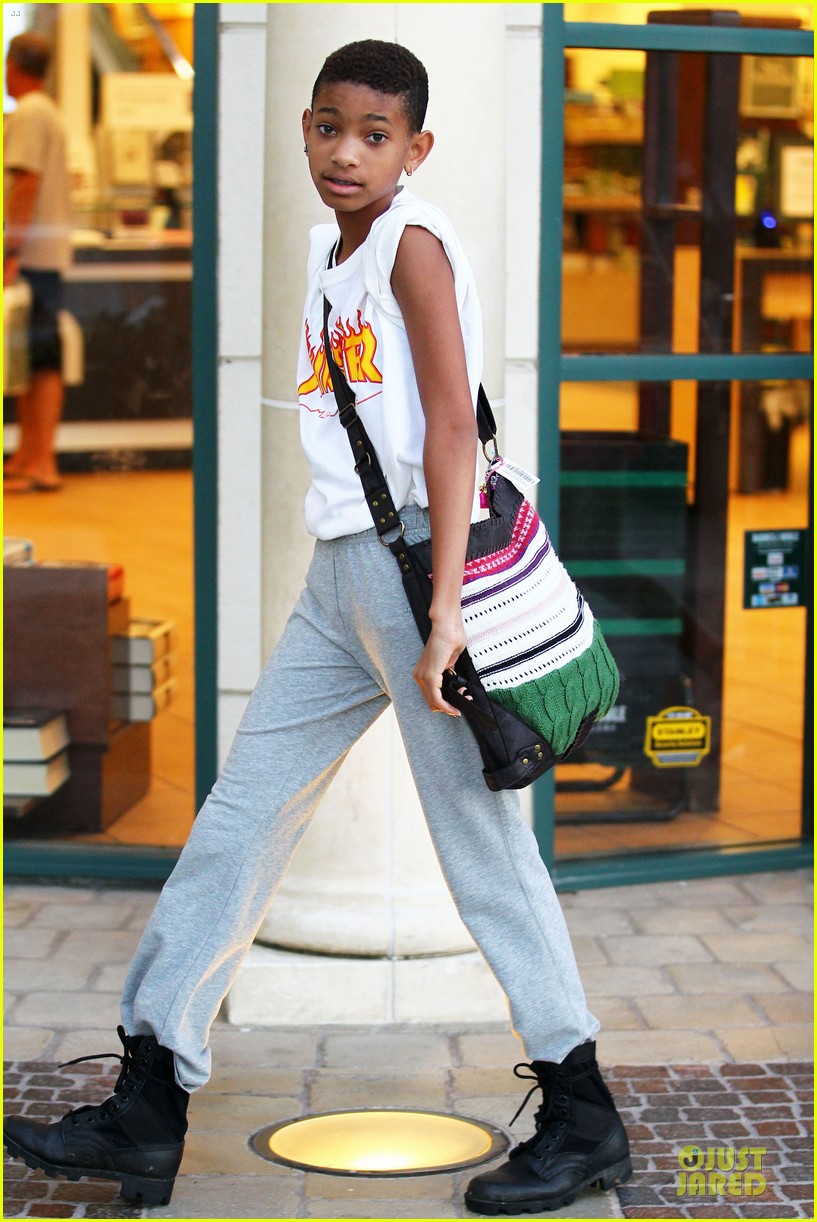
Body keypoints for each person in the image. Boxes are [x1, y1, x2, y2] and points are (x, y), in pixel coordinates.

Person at [3, 40, 631, 1214]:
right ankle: (150, 1102)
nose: (347, 151)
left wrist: (443, 614)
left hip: (408, 583)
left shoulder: (413, 248)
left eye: (376, 133)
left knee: (482, 855)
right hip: (339, 577)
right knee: (240, 818)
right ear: (302, 126)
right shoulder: (324, 249)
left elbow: (452, 431)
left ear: (416, 149)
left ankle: (582, 1107)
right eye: (330, 126)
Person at [3, 31, 71, 493]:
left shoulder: (28, 113)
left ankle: (40, 460)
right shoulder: (48, 111)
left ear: (12, 65)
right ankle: (30, 454)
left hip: (31, 256)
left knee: (41, 357)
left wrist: (9, 251)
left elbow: (23, 184)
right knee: (32, 356)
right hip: (45, 253)